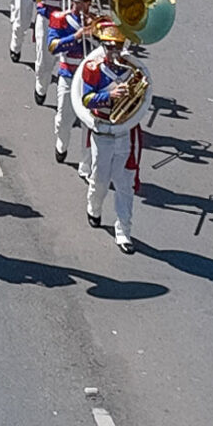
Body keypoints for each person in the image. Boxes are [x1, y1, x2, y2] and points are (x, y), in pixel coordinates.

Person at [76, 17, 150, 253]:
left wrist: (133, 95)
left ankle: (124, 231)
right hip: (103, 130)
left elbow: (143, 101)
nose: (114, 51)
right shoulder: (93, 68)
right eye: (109, 46)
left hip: (125, 132)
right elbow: (86, 99)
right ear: (103, 46)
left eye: (117, 46)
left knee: (125, 184)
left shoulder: (133, 70)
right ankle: (93, 208)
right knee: (99, 179)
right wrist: (110, 96)